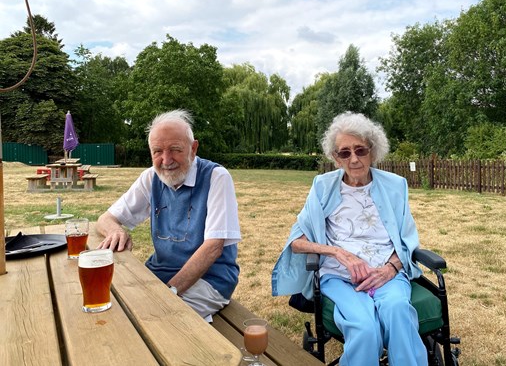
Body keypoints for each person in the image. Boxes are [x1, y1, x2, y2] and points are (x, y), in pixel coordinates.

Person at [272, 112, 427, 365]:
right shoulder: (323, 187)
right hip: (340, 276)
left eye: (360, 150)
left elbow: (407, 240)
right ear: (336, 158)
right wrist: (337, 253)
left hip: (386, 273)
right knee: (364, 328)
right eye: (345, 153)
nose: (354, 159)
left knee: (397, 312)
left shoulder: (395, 186)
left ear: (372, 152)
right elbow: (297, 242)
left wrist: (389, 269)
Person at [96, 109, 240, 323]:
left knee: (161, 322)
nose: (166, 160)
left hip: (210, 279)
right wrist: (117, 230)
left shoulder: (216, 177)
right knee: (115, 305)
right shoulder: (151, 178)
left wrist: (169, 293)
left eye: (175, 149)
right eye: (157, 151)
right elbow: (105, 219)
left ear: (193, 148)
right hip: (159, 272)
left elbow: (213, 247)